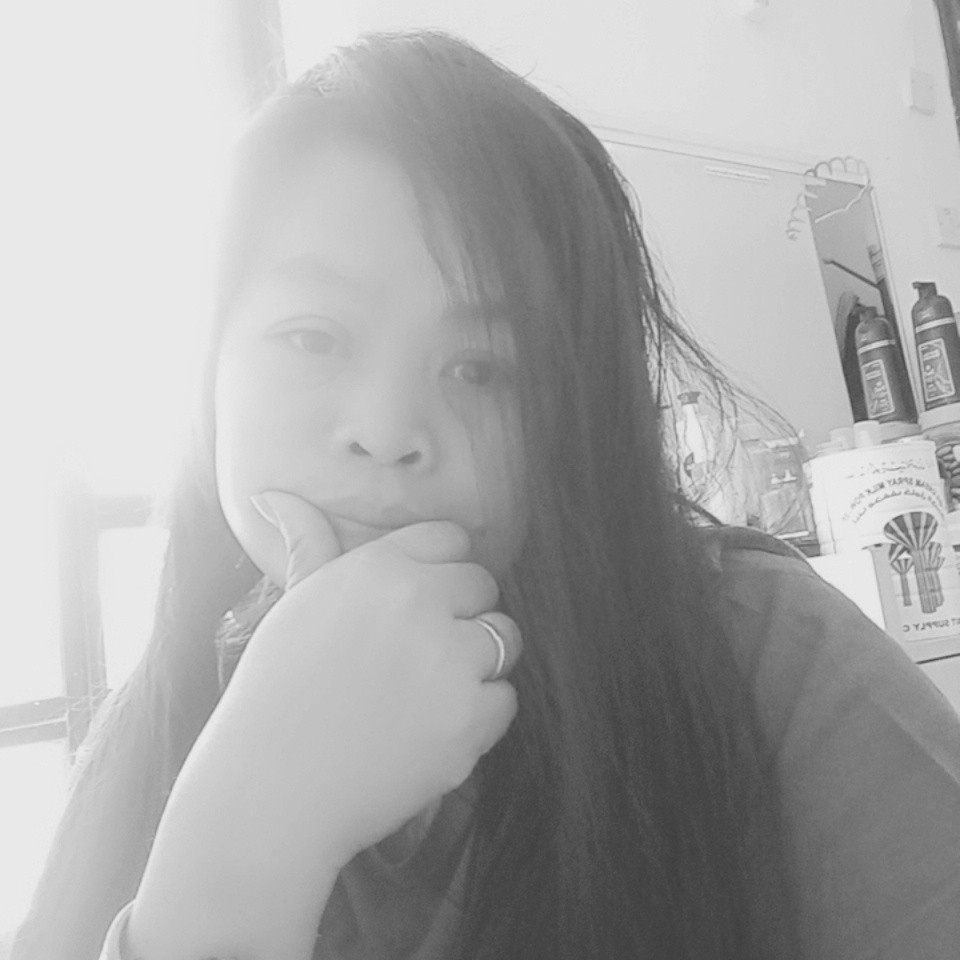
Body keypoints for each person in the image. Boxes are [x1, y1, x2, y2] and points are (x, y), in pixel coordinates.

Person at [11, 29, 960, 960]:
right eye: (312, 337)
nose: (386, 428)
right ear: (209, 372)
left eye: (481, 369)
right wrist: (242, 844)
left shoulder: (768, 661)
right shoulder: (157, 716)